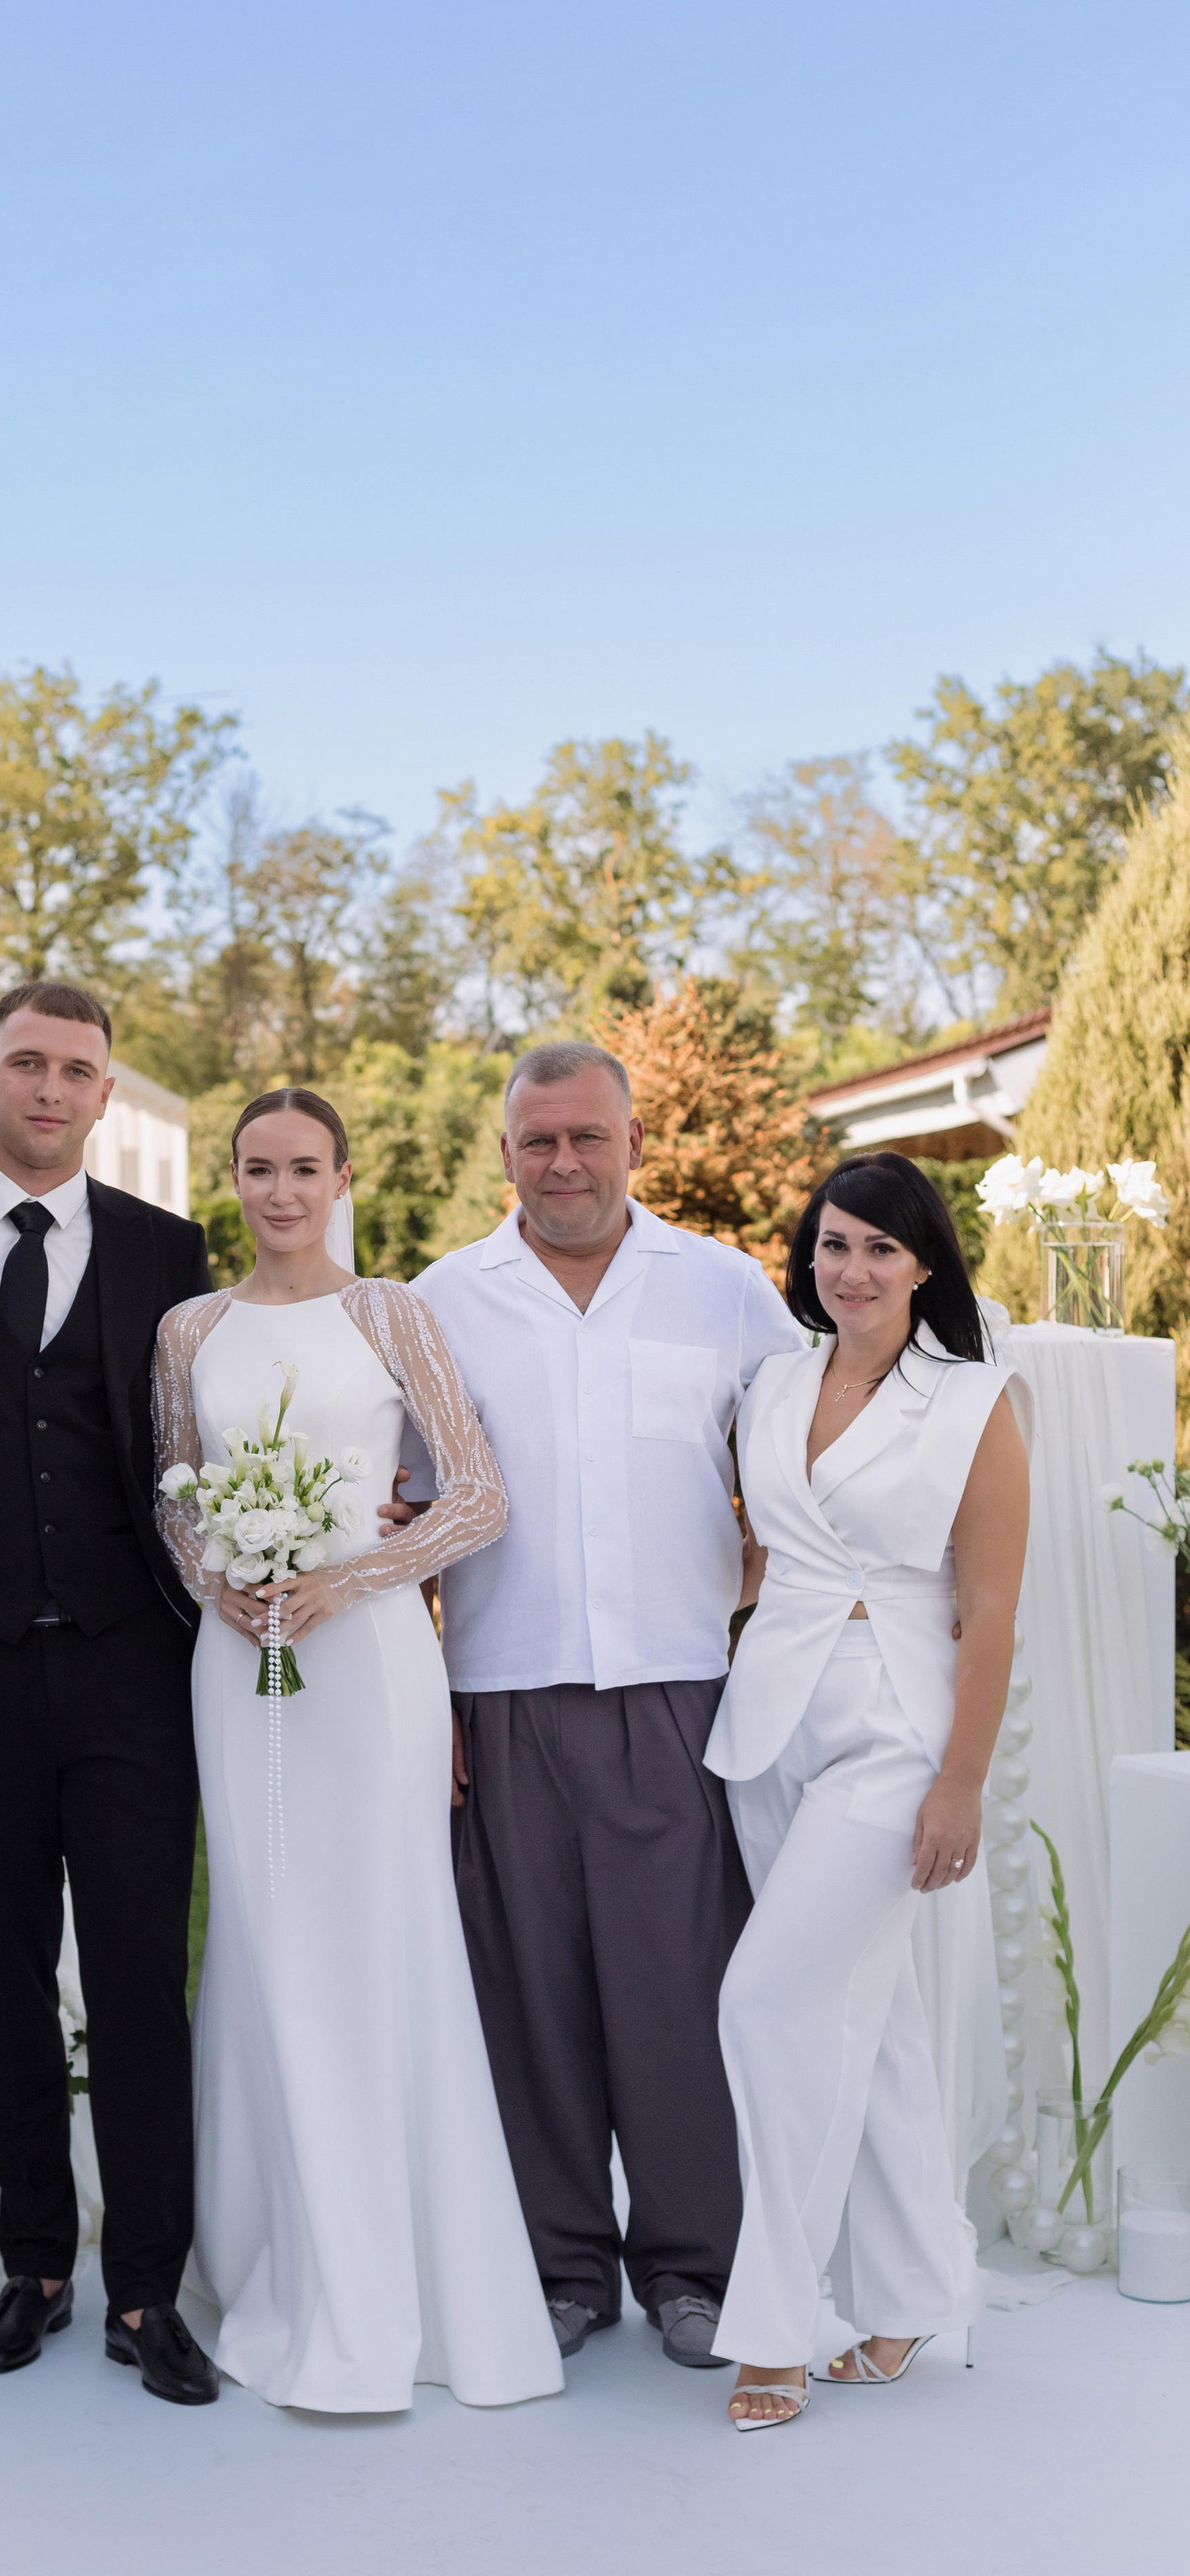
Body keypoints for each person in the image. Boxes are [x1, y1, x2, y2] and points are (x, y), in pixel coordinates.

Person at [393, 1039, 804, 2368]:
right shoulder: (439, 1302)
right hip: (496, 1697)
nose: (561, 1164)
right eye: (535, 1142)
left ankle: (691, 2267)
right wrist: (423, 1694)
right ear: (502, 1151)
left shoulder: (725, 1293)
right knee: (530, 1996)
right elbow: (393, 1517)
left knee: (679, 1991)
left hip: (676, 1695)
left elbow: (801, 1471)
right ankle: (559, 2268)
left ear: (630, 1141)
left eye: (585, 1137)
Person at [152, 1090, 563, 2413]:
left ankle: (400, 2279)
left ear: (343, 1177)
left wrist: (352, 1578)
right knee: (266, 1938)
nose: (281, 1192)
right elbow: (172, 1492)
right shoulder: (189, 1331)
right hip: (241, 1663)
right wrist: (215, 1575)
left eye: (304, 1169)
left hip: (372, 1660)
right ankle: (277, 2250)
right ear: (235, 1180)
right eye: (259, 1170)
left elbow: (482, 1494)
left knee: (381, 1934)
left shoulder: (393, 1311)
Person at [0, 982, 219, 2406]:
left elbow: (214, 1429)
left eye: (74, 1071)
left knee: (143, 1978)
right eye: (24, 1063)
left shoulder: (166, 1250)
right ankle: (33, 2262)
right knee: (4, 1978)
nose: (46, 1088)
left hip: (127, 1665)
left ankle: (148, 2290)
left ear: (105, 1095)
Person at [706, 1152, 1031, 2430]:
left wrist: (961, 1784)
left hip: (900, 1728)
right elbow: (755, 1555)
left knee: (764, 2003)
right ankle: (912, 2297)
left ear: (926, 1265)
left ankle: (776, 2325)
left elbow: (992, 1611)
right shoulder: (775, 1381)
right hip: (770, 1718)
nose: (851, 1271)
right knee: (872, 2022)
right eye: (834, 1246)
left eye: (880, 1251)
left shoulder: (976, 1401)